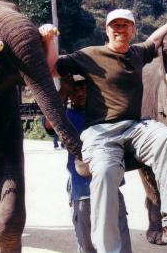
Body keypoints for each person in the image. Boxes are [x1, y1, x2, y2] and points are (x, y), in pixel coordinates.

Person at [39, 9, 167, 253]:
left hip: (136, 128)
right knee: (104, 174)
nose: (120, 29)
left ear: (133, 30)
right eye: (115, 25)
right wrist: (48, 39)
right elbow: (52, 69)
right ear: (107, 30)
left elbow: (155, 41)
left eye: (125, 25)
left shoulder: (137, 53)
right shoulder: (91, 55)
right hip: (101, 133)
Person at [43, 75, 131, 253]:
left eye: (84, 88)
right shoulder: (65, 117)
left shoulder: (106, 115)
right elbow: (49, 124)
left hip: (111, 189)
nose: (80, 93)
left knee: (121, 244)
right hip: (83, 192)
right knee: (87, 245)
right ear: (69, 95)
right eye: (74, 90)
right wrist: (61, 93)